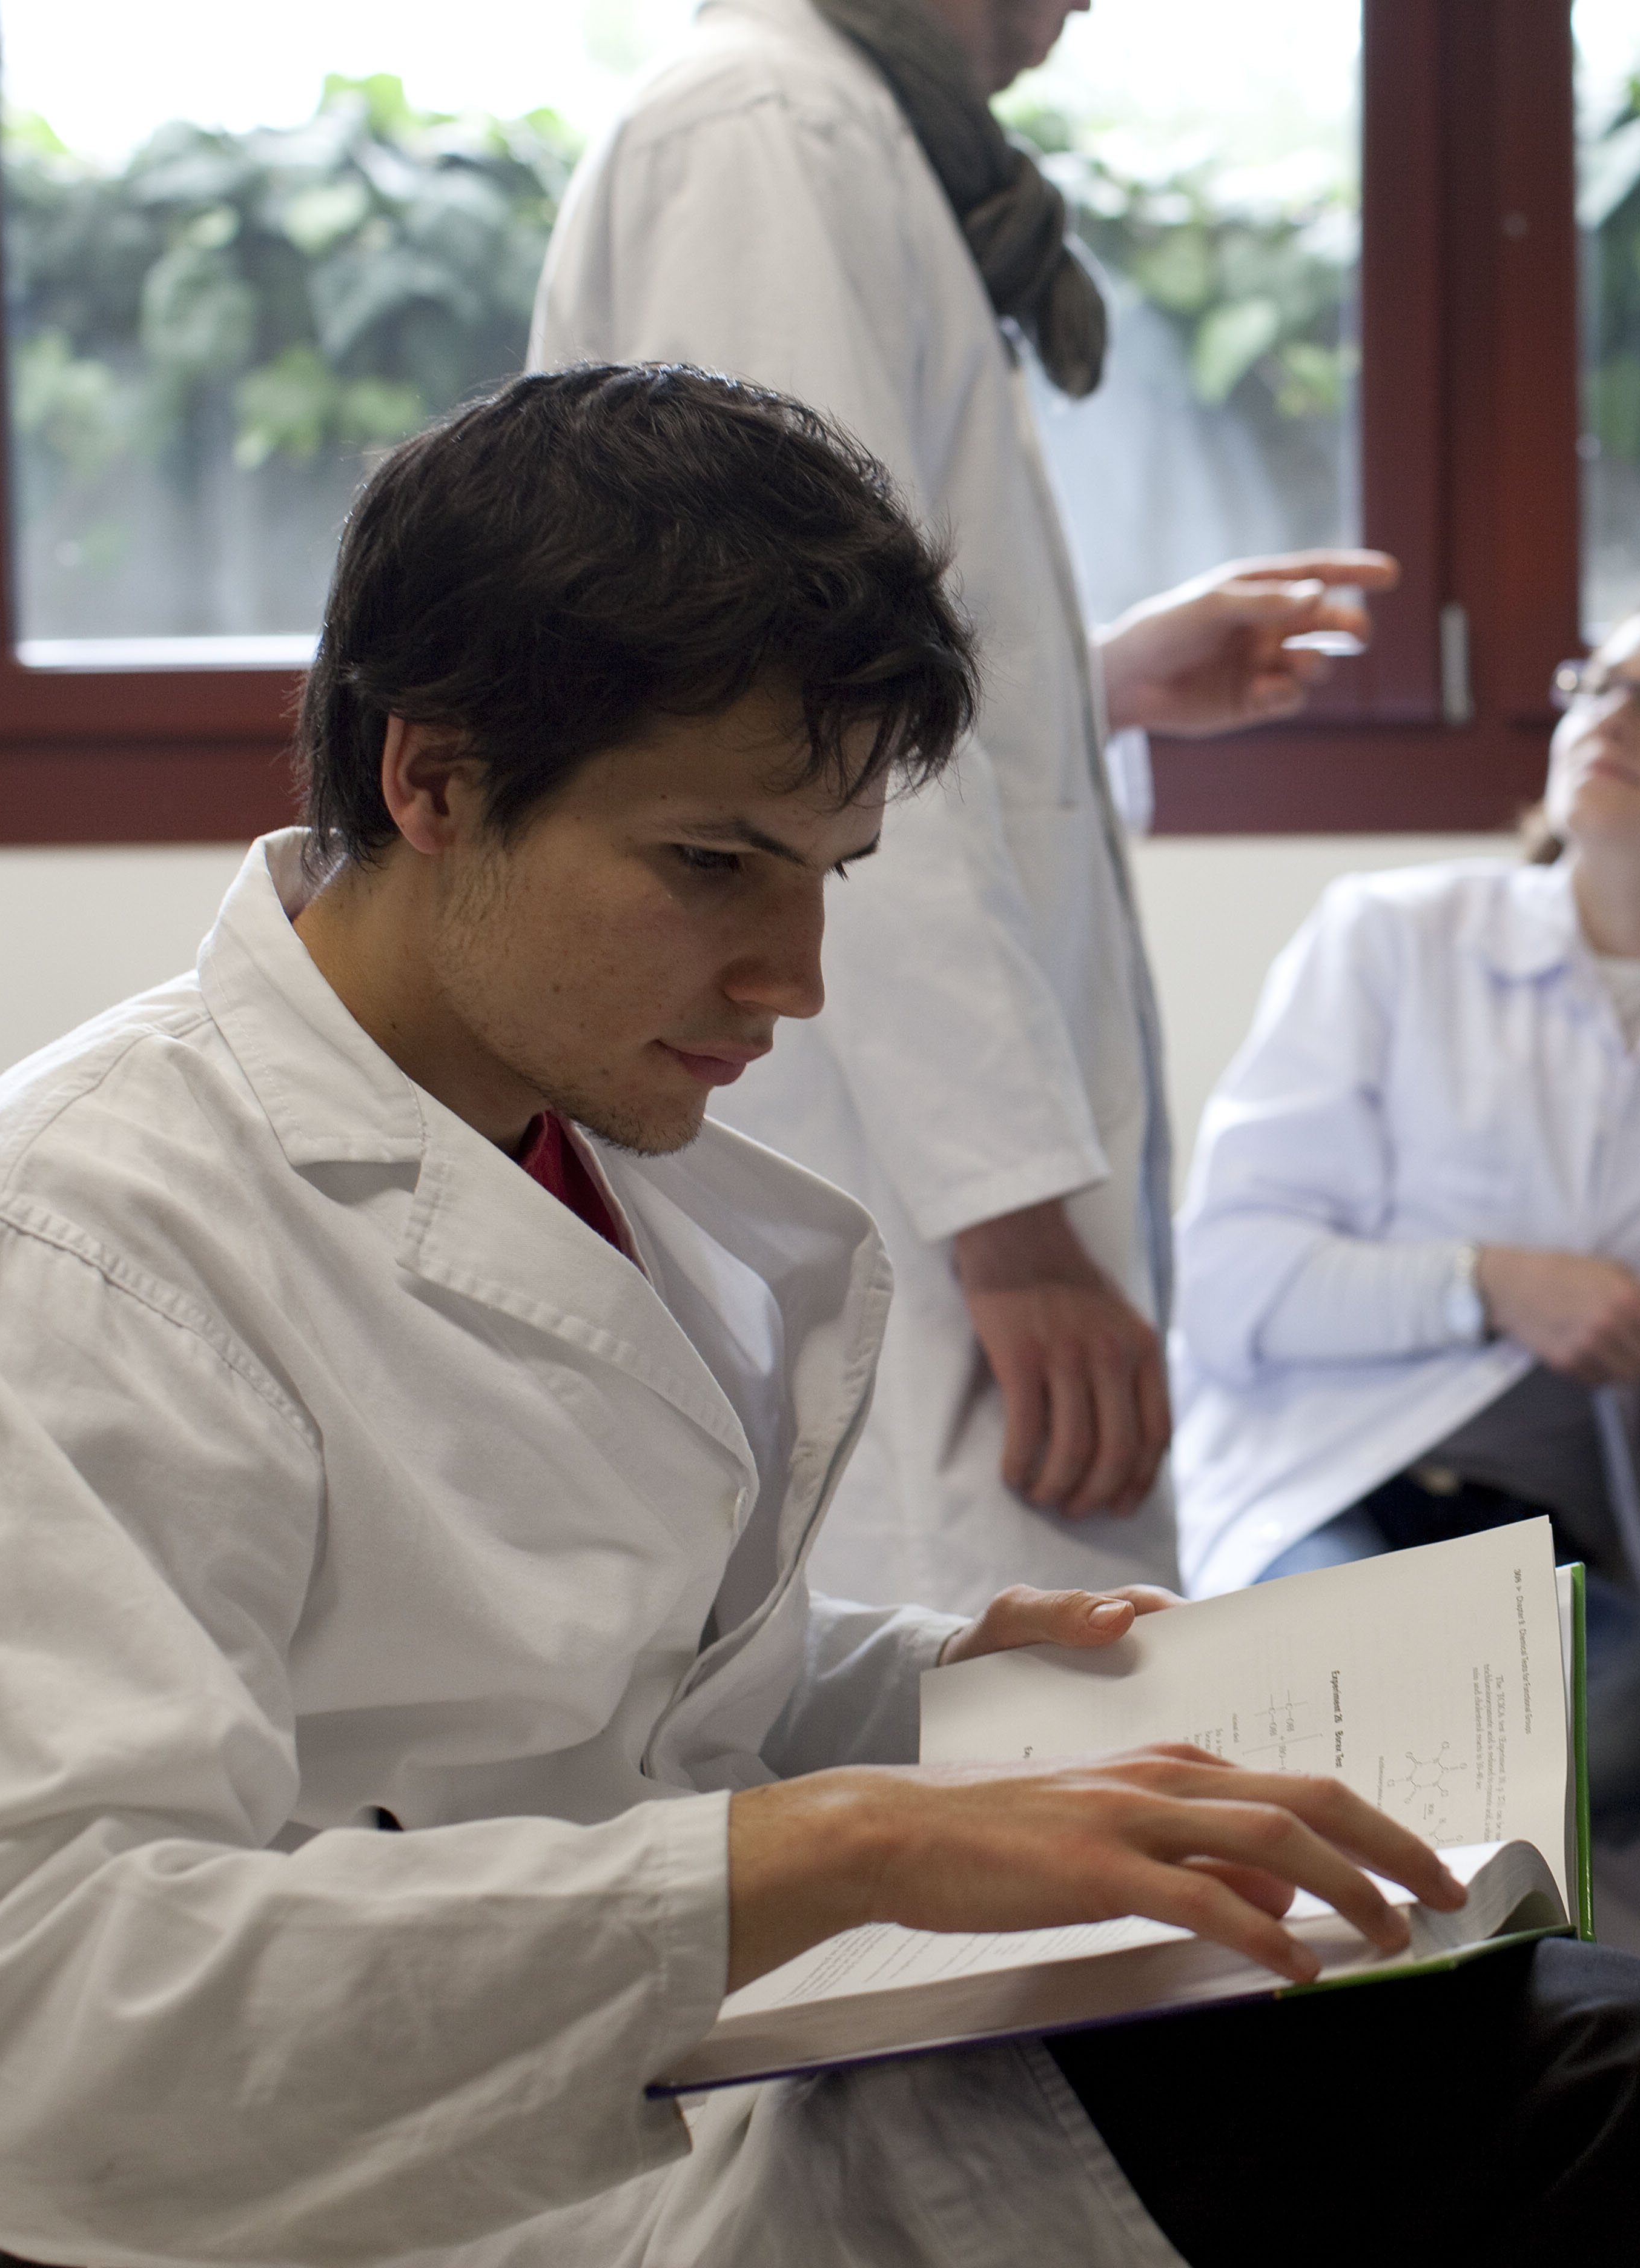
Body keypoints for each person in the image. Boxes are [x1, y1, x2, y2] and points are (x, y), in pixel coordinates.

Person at [0, 368, 1640, 2268]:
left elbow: (614, 1685)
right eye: (713, 864)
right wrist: (835, 1845)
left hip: (709, 2083)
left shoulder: (569, 1129)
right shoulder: (62, 1254)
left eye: (831, 872)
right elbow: (34, 2025)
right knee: (1592, 2084)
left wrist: (944, 1677)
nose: (797, 976)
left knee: (1589, 2043)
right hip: (386, 2202)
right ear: (432, 778)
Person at [532, 0, 1400, 1611]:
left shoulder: (852, 136)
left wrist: (1098, 683)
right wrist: (1014, 1224)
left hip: (913, 1181)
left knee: (1018, 1688)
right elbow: (794, 723)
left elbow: (831, 682)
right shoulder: (771, 136)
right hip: (886, 1192)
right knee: (967, 1683)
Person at [1171, 600, 1640, 1819]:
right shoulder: (1392, 937)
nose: (1615, 714)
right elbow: (1224, 1284)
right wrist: (1490, 1286)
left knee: (1635, 1715)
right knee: (1359, 1718)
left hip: (1524, 1533)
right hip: (1318, 1477)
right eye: (1598, 683)